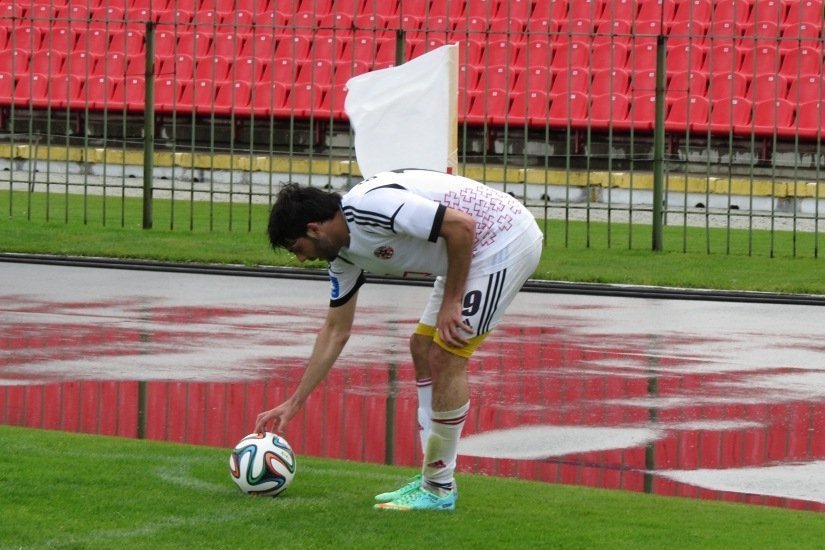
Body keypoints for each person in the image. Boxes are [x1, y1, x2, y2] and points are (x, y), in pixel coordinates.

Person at [254, 168, 543, 511]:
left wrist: (452, 302)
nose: (302, 258)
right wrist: (294, 401)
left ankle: (438, 488)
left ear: (314, 229)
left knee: (447, 354)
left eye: (298, 248)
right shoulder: (342, 258)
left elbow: (461, 227)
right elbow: (335, 331)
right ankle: (431, 477)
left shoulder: (370, 207)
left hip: (503, 238)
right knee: (422, 348)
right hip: (465, 251)